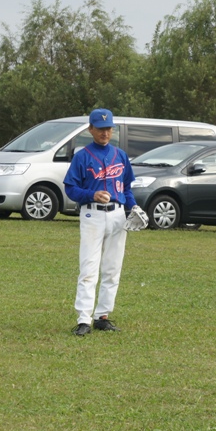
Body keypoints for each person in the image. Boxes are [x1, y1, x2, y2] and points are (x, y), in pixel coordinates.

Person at [64, 108, 140, 336]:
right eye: (100, 128)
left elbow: (126, 188)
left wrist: (133, 207)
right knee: (88, 268)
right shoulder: (82, 156)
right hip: (92, 214)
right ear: (91, 129)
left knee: (112, 268)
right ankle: (84, 319)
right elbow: (70, 188)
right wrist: (91, 194)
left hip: (117, 214)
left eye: (108, 128)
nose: (104, 133)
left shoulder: (120, 155)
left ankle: (102, 316)